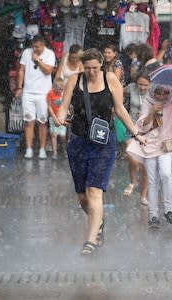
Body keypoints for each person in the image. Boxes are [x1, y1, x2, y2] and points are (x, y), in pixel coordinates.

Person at [55, 48, 146, 255]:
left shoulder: (110, 79)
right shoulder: (74, 80)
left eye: (95, 68)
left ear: (101, 66)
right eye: (87, 68)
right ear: (82, 66)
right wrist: (60, 116)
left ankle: (91, 241)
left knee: (94, 191)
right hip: (78, 141)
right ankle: (99, 221)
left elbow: (120, 110)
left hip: (103, 142)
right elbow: (64, 106)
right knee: (82, 196)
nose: (92, 72)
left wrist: (136, 133)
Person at [127, 85, 172, 228]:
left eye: (166, 93)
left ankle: (168, 210)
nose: (162, 96)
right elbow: (142, 127)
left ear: (170, 93)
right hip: (148, 145)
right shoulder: (148, 102)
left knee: (166, 174)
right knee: (152, 180)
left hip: (165, 146)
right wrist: (152, 112)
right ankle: (153, 215)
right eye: (158, 93)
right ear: (153, 92)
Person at [15, 35, 56, 159]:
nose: (35, 49)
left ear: (43, 45)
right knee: (29, 121)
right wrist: (19, 87)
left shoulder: (50, 54)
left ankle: (42, 149)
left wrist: (38, 60)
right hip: (28, 92)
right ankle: (29, 148)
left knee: (42, 122)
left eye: (37, 47)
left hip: (43, 93)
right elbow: (21, 70)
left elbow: (48, 71)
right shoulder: (27, 53)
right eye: (33, 46)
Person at [122, 71, 151, 205]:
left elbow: (161, 110)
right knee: (132, 158)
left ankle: (143, 196)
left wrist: (148, 113)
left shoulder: (154, 93)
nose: (142, 87)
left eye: (145, 85)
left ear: (150, 85)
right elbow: (118, 93)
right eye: (140, 84)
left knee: (145, 166)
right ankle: (133, 181)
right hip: (131, 127)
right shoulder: (131, 87)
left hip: (147, 131)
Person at [47, 78, 67, 159]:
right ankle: (54, 152)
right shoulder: (50, 94)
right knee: (54, 134)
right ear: (54, 87)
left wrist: (64, 117)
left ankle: (65, 150)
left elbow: (66, 106)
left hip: (62, 117)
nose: (59, 91)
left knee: (62, 135)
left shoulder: (64, 94)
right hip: (53, 117)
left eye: (61, 89)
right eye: (58, 89)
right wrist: (54, 117)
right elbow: (49, 106)